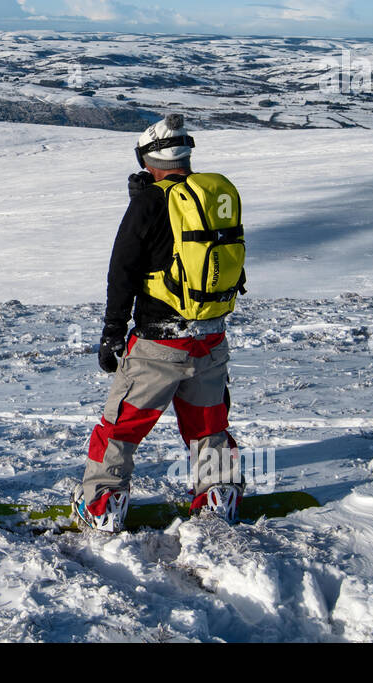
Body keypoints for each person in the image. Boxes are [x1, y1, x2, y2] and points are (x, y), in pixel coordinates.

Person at [72, 113, 245, 533]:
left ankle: (102, 504)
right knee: (209, 425)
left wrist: (113, 333)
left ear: (146, 157)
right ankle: (217, 495)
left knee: (122, 426)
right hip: (210, 337)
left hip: (159, 342)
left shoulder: (149, 202)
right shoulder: (212, 194)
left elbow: (123, 271)